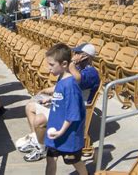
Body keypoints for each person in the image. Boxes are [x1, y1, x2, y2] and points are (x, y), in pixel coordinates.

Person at [18, 43, 99, 163]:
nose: (74, 55)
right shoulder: (77, 69)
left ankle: (41, 148)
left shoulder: (91, 72)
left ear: (85, 56)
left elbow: (76, 80)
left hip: (73, 112)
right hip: (63, 104)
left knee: (39, 120)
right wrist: (48, 94)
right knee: (30, 106)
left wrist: (70, 63)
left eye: (77, 53)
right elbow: (63, 87)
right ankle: (36, 139)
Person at [44, 43, 87, 175]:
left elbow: (72, 113)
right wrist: (51, 99)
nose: (48, 68)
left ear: (63, 64)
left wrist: (61, 132)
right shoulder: (61, 78)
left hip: (68, 135)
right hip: (55, 130)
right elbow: (61, 96)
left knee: (74, 161)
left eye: (51, 65)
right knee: (50, 159)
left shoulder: (70, 86)